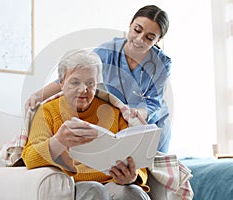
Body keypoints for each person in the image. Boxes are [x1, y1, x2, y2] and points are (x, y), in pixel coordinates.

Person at [25, 5, 171, 153]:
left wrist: (140, 112)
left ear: (159, 39)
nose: (140, 39)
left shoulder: (162, 64)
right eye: (137, 30)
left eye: (150, 37)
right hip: (118, 119)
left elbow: (154, 101)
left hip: (150, 121)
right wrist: (39, 95)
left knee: (153, 167)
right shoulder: (107, 51)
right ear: (130, 24)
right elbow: (74, 75)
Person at [22, 49, 151, 200]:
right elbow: (30, 157)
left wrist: (132, 177)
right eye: (75, 82)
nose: (83, 90)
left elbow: (138, 157)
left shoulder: (114, 112)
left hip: (113, 182)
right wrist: (58, 141)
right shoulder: (46, 111)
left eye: (90, 83)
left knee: (134, 193)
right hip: (75, 183)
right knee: (95, 191)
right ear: (62, 83)